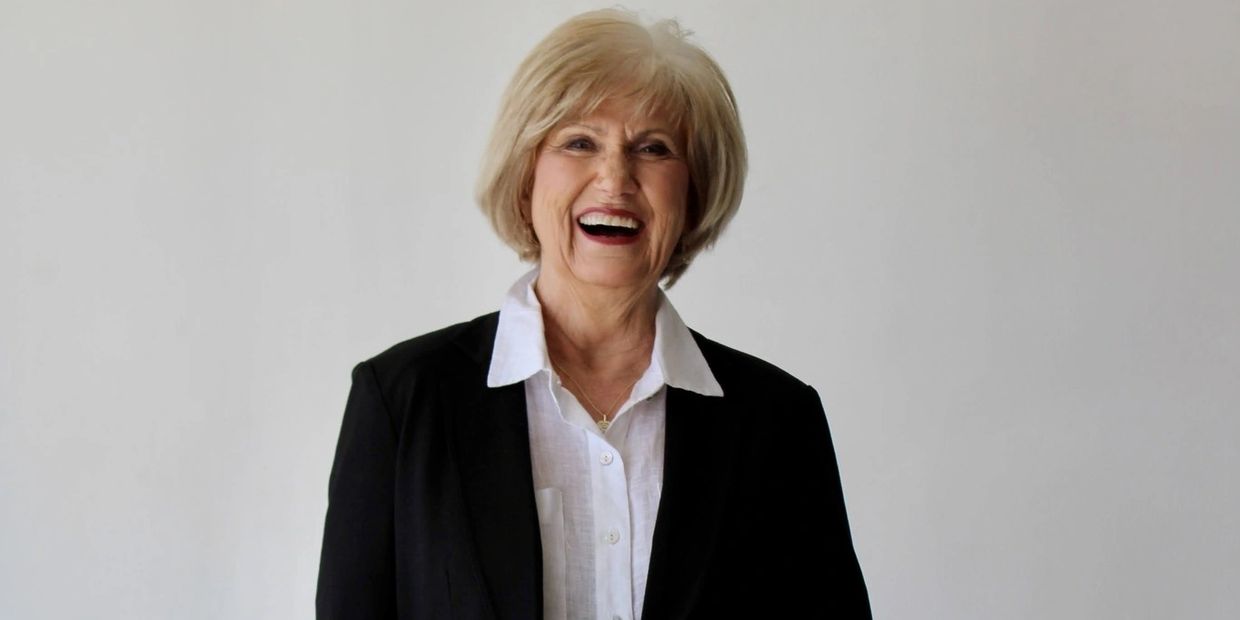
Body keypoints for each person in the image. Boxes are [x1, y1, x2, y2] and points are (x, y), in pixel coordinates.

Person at [316, 8, 871, 619]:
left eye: (653, 149)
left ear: (694, 192)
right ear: (526, 177)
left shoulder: (778, 421)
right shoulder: (403, 401)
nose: (615, 178)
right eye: (580, 142)